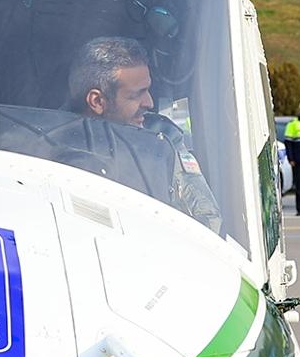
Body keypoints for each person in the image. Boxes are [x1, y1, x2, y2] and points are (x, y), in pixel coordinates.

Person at [70, 36, 221, 230]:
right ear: (97, 101)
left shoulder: (164, 136)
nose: (149, 103)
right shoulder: (47, 141)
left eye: (147, 90)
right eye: (136, 95)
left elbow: (207, 218)